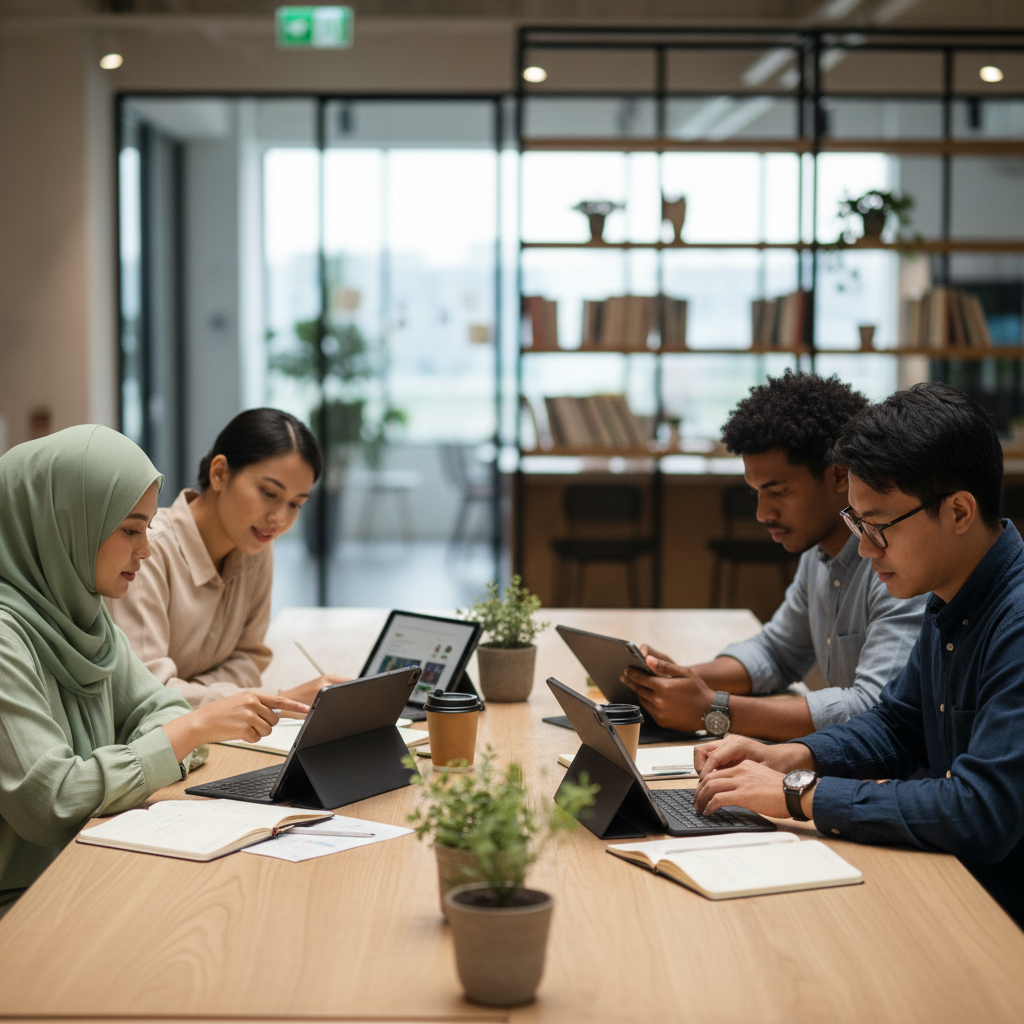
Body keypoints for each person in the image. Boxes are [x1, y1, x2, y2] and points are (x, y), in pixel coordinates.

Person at [694, 382, 1024, 927]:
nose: (865, 548)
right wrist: (792, 756)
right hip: (953, 888)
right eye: (856, 523)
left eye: (879, 526)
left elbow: (980, 809)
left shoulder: (1013, 623)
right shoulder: (949, 599)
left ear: (960, 512)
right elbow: (896, 725)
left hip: (995, 923)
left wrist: (798, 794)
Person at [0, 425, 309, 914]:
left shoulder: (82, 613)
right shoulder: (4, 639)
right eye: (130, 529)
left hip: (85, 866)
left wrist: (173, 736)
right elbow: (55, 802)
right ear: (62, 523)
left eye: (146, 528)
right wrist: (185, 733)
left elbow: (162, 705)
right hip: (26, 902)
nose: (145, 549)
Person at [622, 371, 927, 741]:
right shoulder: (819, 555)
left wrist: (711, 709)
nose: (763, 514)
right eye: (756, 493)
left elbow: (871, 709)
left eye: (778, 492)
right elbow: (777, 652)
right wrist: (673, 681)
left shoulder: (896, 564)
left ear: (839, 477)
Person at [108, 408, 343, 709]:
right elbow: (146, 694)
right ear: (219, 474)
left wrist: (199, 694)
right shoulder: (148, 550)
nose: (279, 519)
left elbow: (250, 657)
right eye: (269, 493)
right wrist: (277, 699)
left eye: (296, 504)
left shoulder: (256, 544)